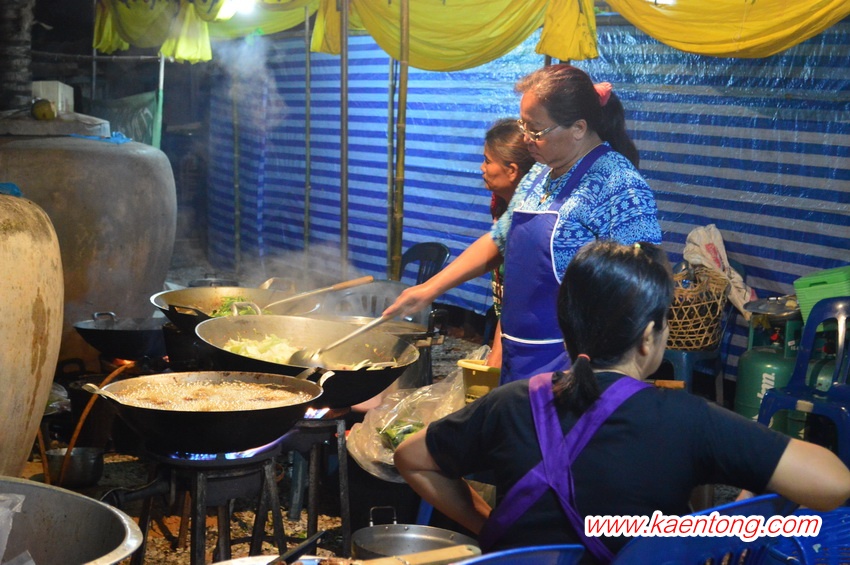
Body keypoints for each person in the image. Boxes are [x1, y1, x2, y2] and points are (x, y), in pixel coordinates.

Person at [394, 240, 850, 564]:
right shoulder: (686, 419)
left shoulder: (509, 402)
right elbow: (833, 484)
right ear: (649, 338)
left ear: (567, 330)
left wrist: (490, 524)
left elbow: (411, 459)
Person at [383, 64, 662, 384]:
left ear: (578, 128)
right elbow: (499, 240)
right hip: (518, 354)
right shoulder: (538, 174)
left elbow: (642, 284)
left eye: (536, 130)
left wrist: (601, 371)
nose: (526, 138)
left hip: (574, 364)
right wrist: (429, 289)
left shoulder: (618, 184)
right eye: (523, 124)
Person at [480, 118, 535, 368]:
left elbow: (520, 295)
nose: (482, 168)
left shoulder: (530, 221)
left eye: (487, 161)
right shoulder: (501, 206)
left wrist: (497, 353)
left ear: (512, 171)